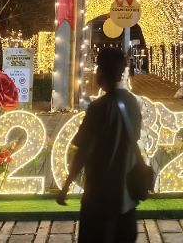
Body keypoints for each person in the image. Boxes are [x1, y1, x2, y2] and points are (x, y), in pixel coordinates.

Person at [57, 47, 142, 243]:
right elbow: (135, 138)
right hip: (127, 198)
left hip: (99, 197)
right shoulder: (132, 103)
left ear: (101, 72)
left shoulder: (98, 107)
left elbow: (83, 151)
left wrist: (66, 185)